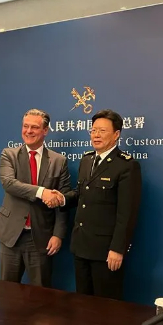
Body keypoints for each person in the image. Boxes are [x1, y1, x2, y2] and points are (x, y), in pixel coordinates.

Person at [50, 109, 142, 299]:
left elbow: (127, 212)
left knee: (106, 306)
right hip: (81, 246)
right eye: (93, 130)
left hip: (105, 251)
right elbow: (81, 194)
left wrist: (118, 249)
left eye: (102, 131)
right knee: (83, 303)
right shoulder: (87, 160)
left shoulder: (126, 165)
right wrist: (63, 199)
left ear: (116, 134)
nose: (96, 135)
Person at [0, 109, 71, 287]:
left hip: (41, 237)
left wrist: (58, 234)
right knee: (7, 292)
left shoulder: (58, 161)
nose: (28, 131)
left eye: (34, 127)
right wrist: (42, 192)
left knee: (41, 293)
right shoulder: (9, 155)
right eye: (25, 126)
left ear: (45, 130)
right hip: (11, 235)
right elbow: (9, 184)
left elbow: (63, 200)